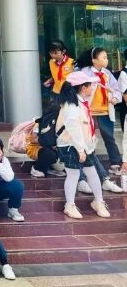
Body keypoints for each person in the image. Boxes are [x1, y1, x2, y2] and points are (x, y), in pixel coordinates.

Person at [56, 71, 111, 219]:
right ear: (82, 88)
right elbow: (73, 129)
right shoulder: (72, 106)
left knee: (92, 173)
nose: (92, 88)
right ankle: (69, 205)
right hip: (70, 145)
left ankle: (99, 202)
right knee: (73, 175)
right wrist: (81, 150)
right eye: (90, 85)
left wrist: (97, 81)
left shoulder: (80, 100)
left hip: (84, 146)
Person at [79, 47, 123, 175]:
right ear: (94, 60)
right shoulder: (85, 72)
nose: (107, 60)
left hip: (105, 111)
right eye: (104, 57)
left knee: (109, 137)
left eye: (106, 57)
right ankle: (88, 164)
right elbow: (79, 89)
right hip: (89, 112)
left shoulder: (107, 73)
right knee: (87, 138)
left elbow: (117, 89)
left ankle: (115, 163)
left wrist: (115, 98)